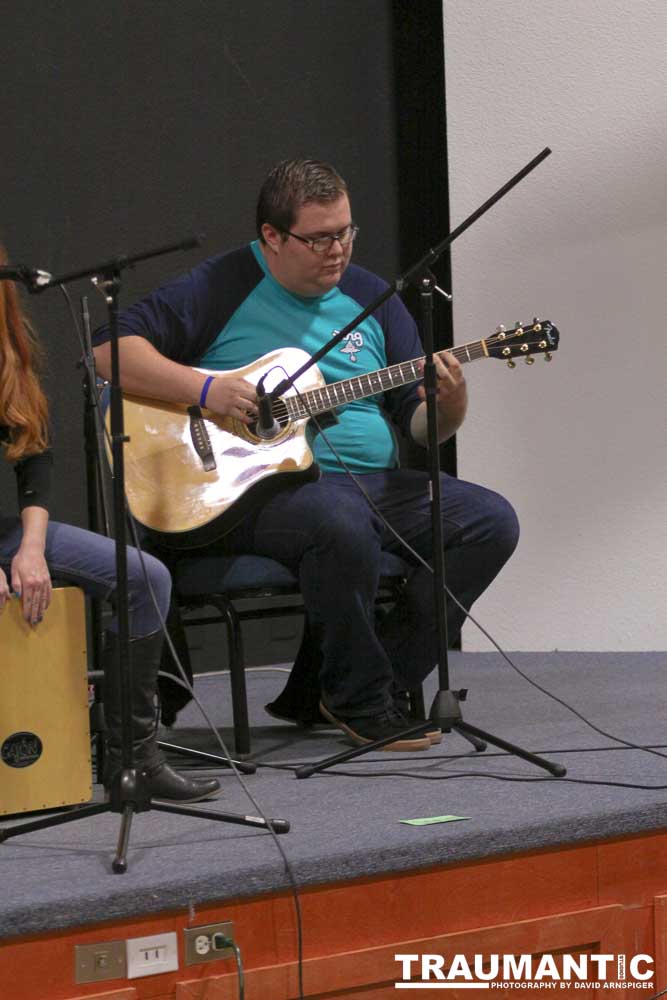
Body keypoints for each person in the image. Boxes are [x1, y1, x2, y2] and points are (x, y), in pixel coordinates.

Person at [93, 159, 519, 752]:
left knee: (490, 522)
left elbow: (422, 428)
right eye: (319, 238)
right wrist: (210, 390)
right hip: (250, 492)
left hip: (370, 484)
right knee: (337, 522)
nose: (337, 250)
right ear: (272, 235)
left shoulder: (374, 296)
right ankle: (358, 701)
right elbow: (109, 353)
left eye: (346, 233)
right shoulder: (223, 285)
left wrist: (452, 401)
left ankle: (361, 683)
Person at [0, 242, 219, 802]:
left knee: (146, 577)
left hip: (4, 535)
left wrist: (29, 547)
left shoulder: (8, 355)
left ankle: (133, 762)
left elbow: (34, 458)